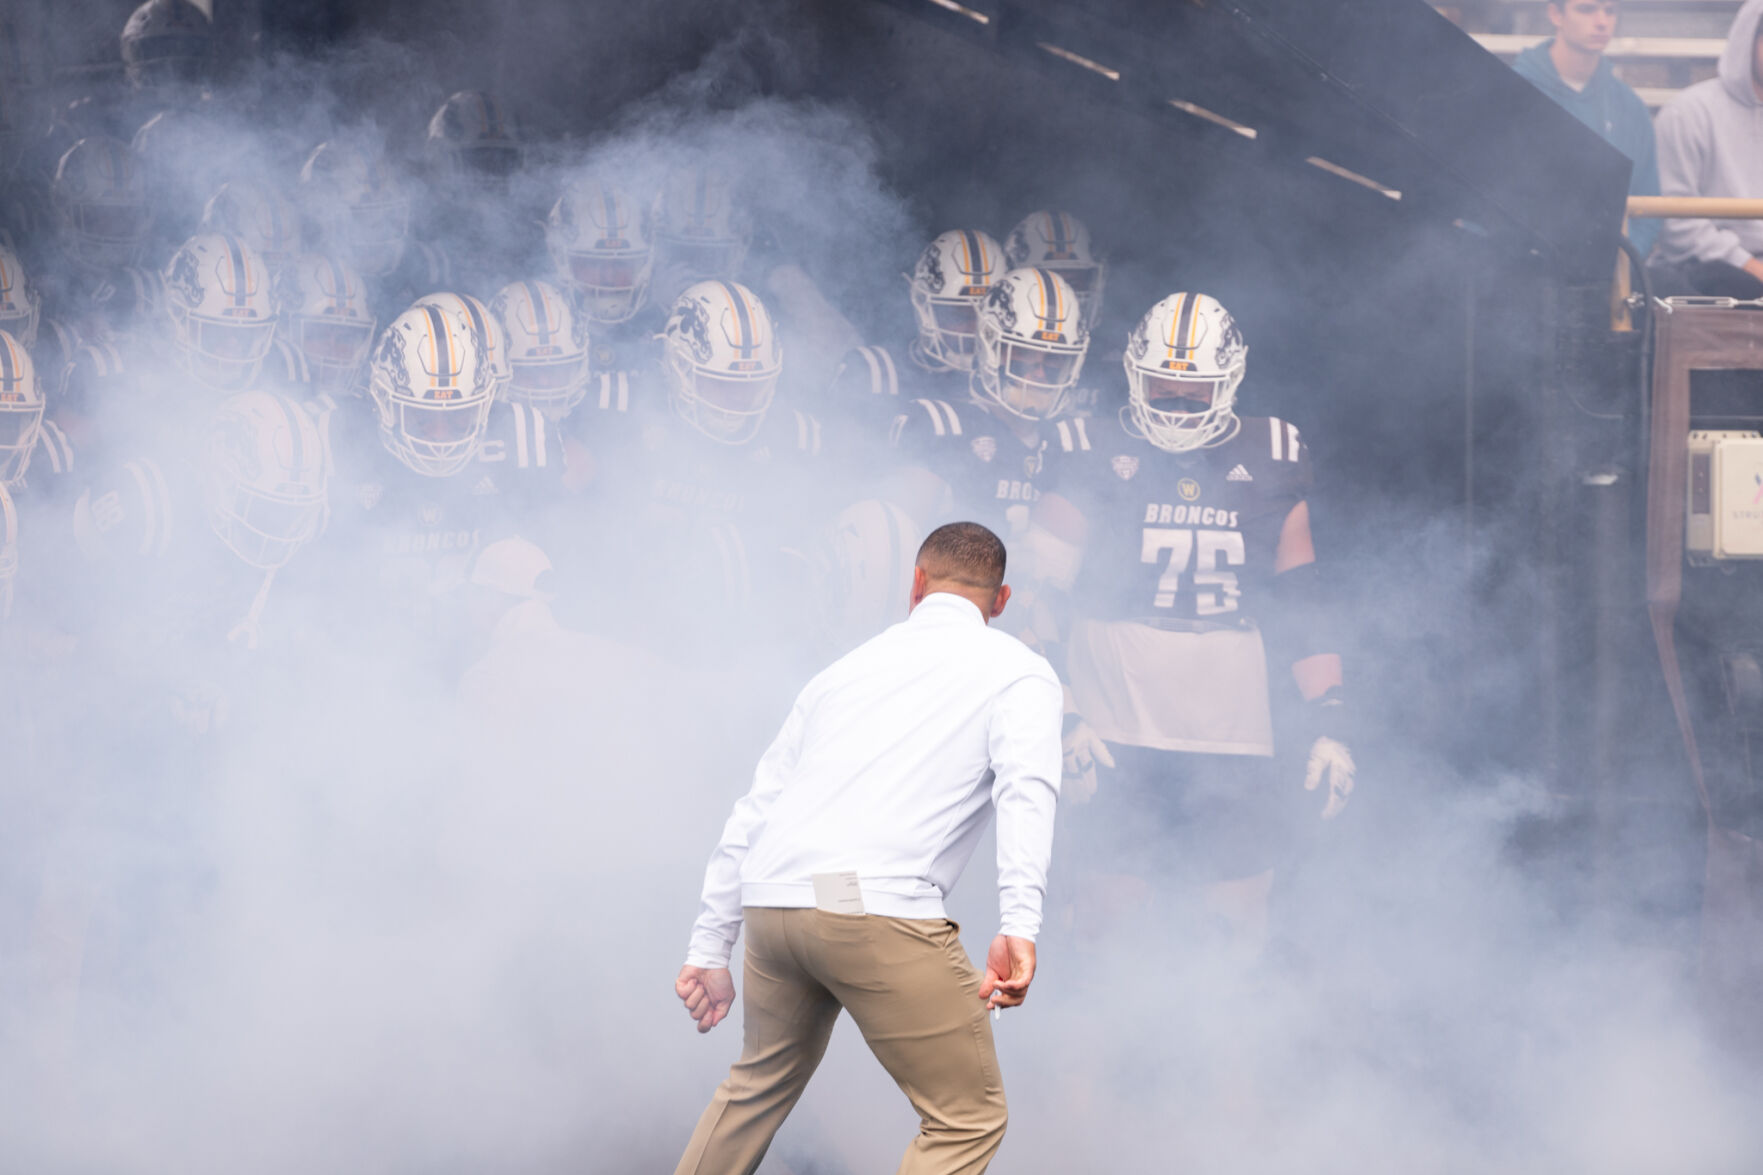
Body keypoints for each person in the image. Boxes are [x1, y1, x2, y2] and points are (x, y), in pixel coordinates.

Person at [673, 521, 1062, 1175]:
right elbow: (1028, 792)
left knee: (754, 1089)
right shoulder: (1020, 672)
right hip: (873, 912)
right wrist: (1020, 923)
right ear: (1000, 601)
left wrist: (708, 948)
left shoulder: (840, 672)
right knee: (966, 1118)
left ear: (914, 583)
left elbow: (754, 810)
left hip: (773, 910)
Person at [1026, 293, 1353, 958]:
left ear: (1227, 385)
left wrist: (1332, 720)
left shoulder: (1273, 452)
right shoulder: (1089, 446)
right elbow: (1031, 600)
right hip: (1113, 711)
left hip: (1227, 720)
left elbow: (1302, 600)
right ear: (1132, 376)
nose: (1174, 406)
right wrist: (1059, 711)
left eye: (1192, 393)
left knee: (1234, 920)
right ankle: (1081, 1059)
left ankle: (1223, 1058)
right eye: (1161, 389)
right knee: (1102, 916)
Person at [1511, 0, 1660, 258]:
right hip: (1523, 270)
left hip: (1612, 275)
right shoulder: (1512, 94)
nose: (1602, 21)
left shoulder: (1630, 107)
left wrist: (1620, 264)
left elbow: (1649, 205)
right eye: (1587, 9)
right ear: (1555, 14)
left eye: (1610, 11)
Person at [1653, 0, 1763, 296]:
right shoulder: (1687, 112)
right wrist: (1751, 266)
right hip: (1712, 275)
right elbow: (1676, 223)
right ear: (1748, 39)